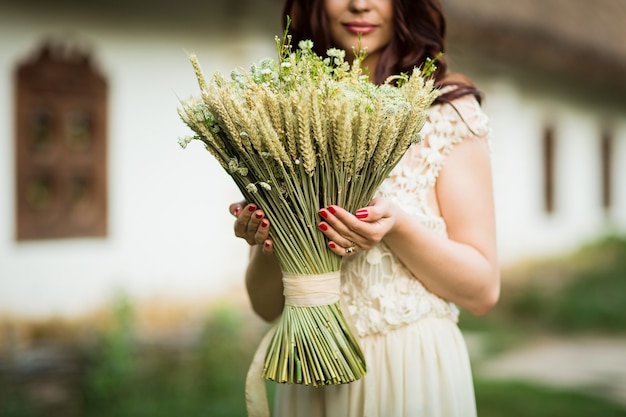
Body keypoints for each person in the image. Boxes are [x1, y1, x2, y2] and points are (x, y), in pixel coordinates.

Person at [229, 0, 500, 416]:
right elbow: (265, 306)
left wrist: (398, 226)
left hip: (414, 372)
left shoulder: (447, 111)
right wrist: (271, 238)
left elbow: (483, 291)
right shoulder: (283, 112)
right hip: (313, 371)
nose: (360, 3)